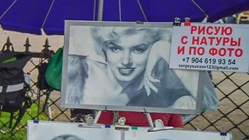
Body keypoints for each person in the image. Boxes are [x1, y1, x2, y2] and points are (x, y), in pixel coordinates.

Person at [66, 26, 195, 110]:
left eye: (138, 50)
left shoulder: (164, 91)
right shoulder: (78, 72)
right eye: (115, 49)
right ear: (103, 48)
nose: (126, 61)